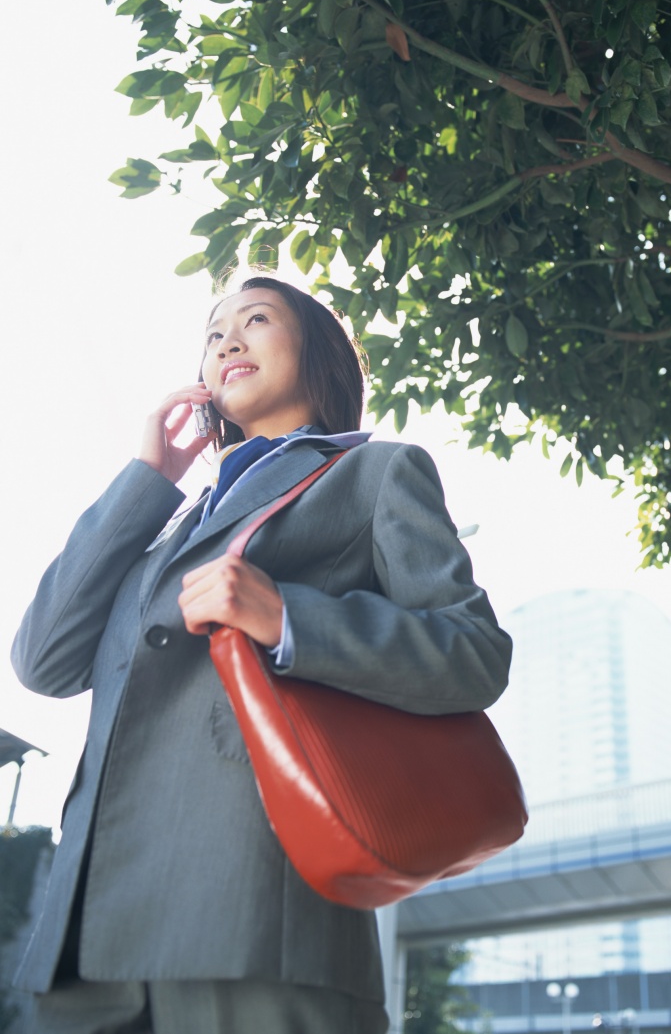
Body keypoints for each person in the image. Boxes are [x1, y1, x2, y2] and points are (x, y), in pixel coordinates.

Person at [11, 275, 512, 1034]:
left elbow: (474, 651)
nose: (227, 341)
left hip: (255, 923)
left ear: (317, 353)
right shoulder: (164, 530)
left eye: (255, 320)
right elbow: (42, 659)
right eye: (213, 334)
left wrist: (286, 617)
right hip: (88, 942)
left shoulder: (376, 475)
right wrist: (147, 482)